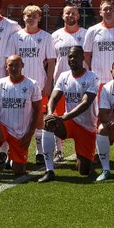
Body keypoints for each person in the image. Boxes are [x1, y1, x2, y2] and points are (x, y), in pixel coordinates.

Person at [0, 54, 42, 184]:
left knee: (19, 171)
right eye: (11, 65)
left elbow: (38, 110)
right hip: (3, 127)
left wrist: (29, 134)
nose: (14, 68)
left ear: (22, 66)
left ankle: (11, 156)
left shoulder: (32, 84)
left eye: (17, 65)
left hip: (21, 133)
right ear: (6, 67)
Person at [44, 45, 100, 179]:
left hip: (87, 126)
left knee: (83, 171)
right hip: (69, 122)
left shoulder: (92, 77)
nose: (72, 59)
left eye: (75, 56)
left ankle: (88, 158)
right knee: (48, 123)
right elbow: (53, 97)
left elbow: (85, 103)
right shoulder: (64, 76)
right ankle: (49, 170)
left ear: (82, 58)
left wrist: (64, 117)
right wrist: (50, 113)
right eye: (70, 56)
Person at [14, 5, 56, 165]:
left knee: (39, 118)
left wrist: (48, 83)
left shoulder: (46, 37)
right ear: (23, 17)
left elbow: (51, 62)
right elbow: (9, 61)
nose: (30, 18)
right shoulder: (15, 36)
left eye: (34, 16)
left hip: (39, 83)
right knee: (18, 118)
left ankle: (39, 152)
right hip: (18, 84)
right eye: (28, 15)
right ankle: (15, 150)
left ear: (39, 18)